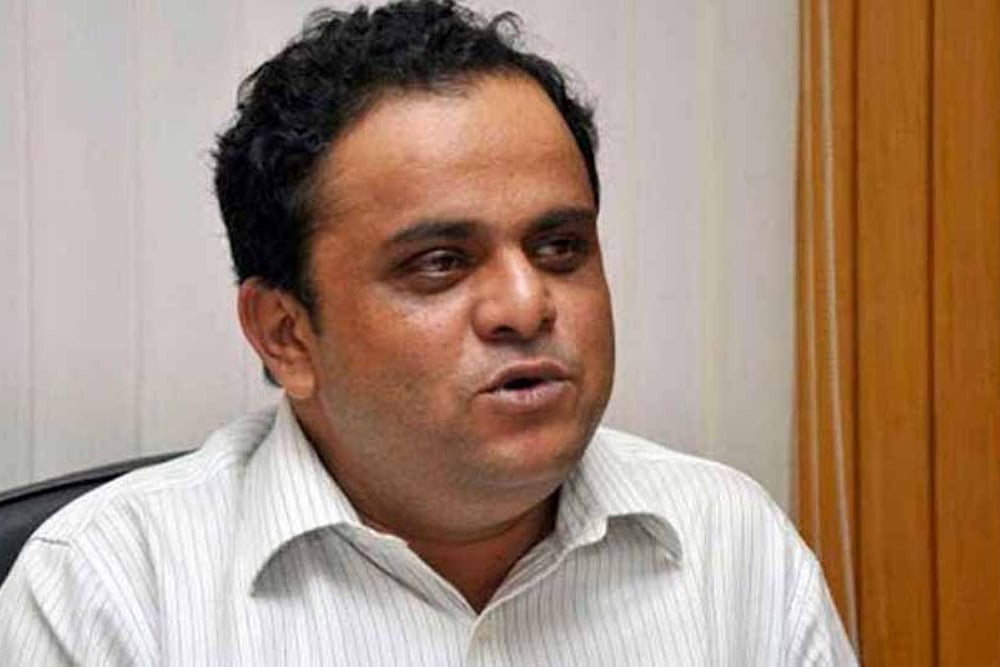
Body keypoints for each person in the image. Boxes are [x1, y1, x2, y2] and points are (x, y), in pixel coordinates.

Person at [0, 1, 855, 664]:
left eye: (560, 247)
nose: (526, 304)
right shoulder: (113, 589)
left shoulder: (729, 546)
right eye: (441, 263)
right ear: (286, 334)